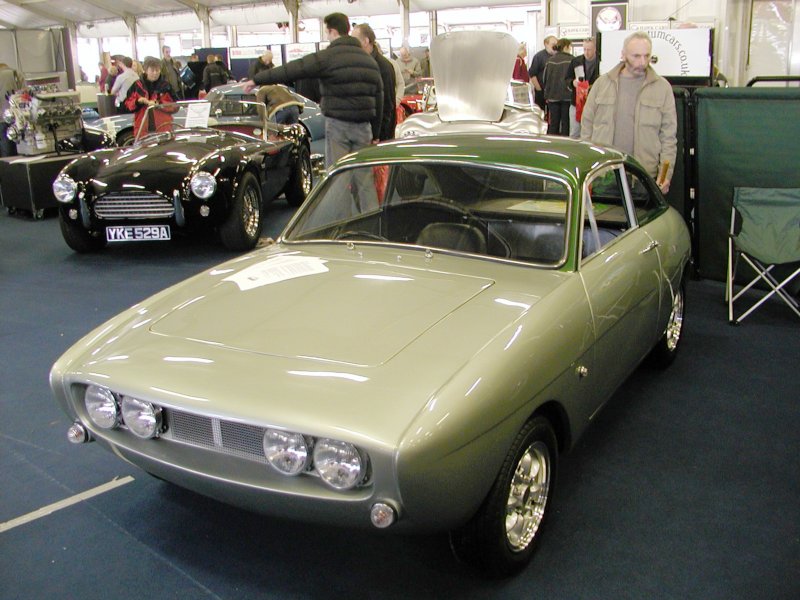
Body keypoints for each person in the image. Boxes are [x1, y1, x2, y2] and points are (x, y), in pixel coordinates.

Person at [242, 12, 383, 169]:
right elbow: (379, 98)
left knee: (337, 175)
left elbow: (293, 69)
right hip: (363, 127)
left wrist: (257, 79)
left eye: (326, 33)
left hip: (338, 126)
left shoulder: (328, 57)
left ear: (333, 31)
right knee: (364, 176)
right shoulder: (369, 61)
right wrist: (376, 134)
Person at [581, 31, 677, 194]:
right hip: (604, 175)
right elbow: (586, 129)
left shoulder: (662, 88)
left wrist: (664, 176)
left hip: (643, 177)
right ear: (623, 55)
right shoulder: (602, 84)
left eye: (647, 56)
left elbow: (668, 137)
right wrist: (586, 170)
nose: (642, 62)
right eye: (636, 56)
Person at [353, 23, 396, 141]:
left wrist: (379, 136)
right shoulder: (361, 64)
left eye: (355, 40)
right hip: (364, 133)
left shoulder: (383, 67)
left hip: (379, 136)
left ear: (366, 41)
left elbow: (387, 105)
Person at [125, 56, 176, 140]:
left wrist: (159, 104)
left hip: (163, 129)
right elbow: (128, 105)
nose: (155, 73)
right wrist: (138, 102)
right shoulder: (136, 86)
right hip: (142, 130)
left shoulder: (166, 86)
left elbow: (175, 106)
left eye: (157, 70)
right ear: (145, 70)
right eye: (152, 70)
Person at [566, 38, 599, 139]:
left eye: (589, 49)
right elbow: (567, 78)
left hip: (594, 102)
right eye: (584, 49)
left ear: (595, 49)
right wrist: (572, 83)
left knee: (592, 132)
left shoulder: (601, 62)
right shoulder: (576, 61)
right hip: (577, 102)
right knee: (575, 132)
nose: (586, 52)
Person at [541, 38, 573, 136]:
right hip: (567, 96)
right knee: (565, 123)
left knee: (553, 123)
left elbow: (544, 79)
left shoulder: (549, 61)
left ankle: (551, 144)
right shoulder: (572, 60)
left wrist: (546, 93)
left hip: (552, 96)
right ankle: (565, 145)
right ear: (566, 47)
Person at [528, 35, 557, 112]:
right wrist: (539, 89)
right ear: (546, 44)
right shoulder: (539, 56)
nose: (555, 46)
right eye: (553, 44)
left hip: (554, 93)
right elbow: (532, 73)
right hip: (541, 91)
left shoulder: (557, 57)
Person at [0, 63, 21, 156]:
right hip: (18, 119)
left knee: (6, 154)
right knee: (20, 150)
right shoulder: (15, 73)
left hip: (2, 120)